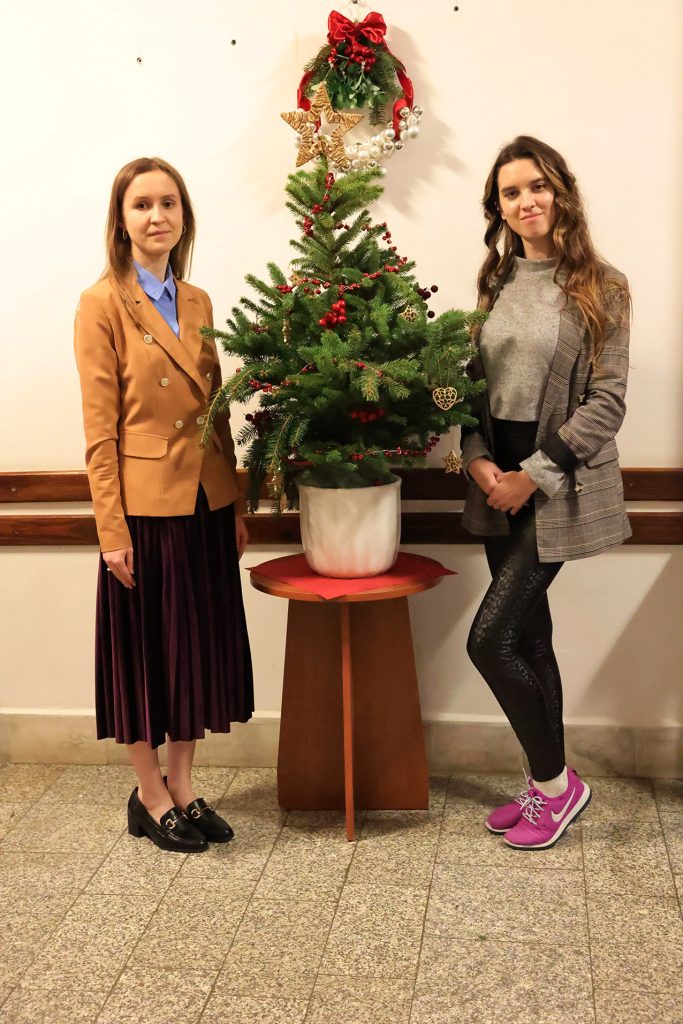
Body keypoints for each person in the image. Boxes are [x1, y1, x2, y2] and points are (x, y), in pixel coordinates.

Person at [74, 157, 254, 853]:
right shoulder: (101, 303)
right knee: (148, 655)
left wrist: (234, 504)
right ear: (120, 221)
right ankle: (148, 793)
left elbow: (217, 409)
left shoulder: (199, 299)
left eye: (169, 203)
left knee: (193, 653)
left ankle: (182, 785)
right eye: (142, 204)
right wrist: (110, 530)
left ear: (184, 216)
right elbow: (100, 430)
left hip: (206, 501)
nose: (157, 216)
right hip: (144, 512)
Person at [461, 136, 630, 851]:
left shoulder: (602, 285)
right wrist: (477, 463)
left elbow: (606, 402)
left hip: (551, 483)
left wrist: (532, 473)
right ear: (497, 207)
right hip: (494, 478)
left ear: (560, 191)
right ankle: (546, 785)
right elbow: (466, 388)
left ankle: (557, 790)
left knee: (488, 639)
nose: (526, 200)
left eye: (536, 186)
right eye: (511, 192)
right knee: (529, 637)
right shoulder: (493, 282)